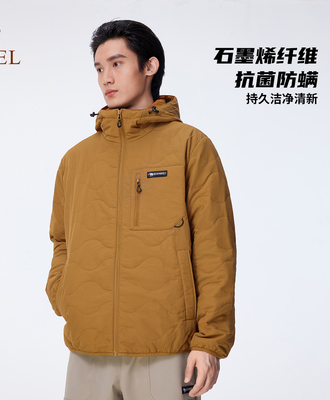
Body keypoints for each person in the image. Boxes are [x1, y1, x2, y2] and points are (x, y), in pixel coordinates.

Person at [46, 19, 236, 400]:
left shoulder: (190, 146)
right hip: (87, 350)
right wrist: (66, 296)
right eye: (99, 68)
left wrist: (209, 341)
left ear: (150, 66)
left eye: (117, 63)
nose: (106, 78)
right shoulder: (75, 160)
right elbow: (62, 241)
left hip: (166, 349)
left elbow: (214, 249)